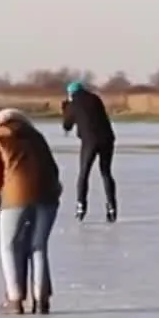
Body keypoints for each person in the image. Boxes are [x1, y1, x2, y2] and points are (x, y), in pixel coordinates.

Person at [0, 106, 62, 315]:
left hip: (16, 196)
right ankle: (41, 300)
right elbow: (52, 166)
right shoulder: (35, 134)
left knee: (9, 247)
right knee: (38, 246)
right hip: (48, 193)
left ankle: (14, 299)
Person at [59, 80, 117, 223]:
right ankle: (111, 206)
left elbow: (67, 126)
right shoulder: (95, 98)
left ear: (71, 94)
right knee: (106, 172)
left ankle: (81, 205)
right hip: (107, 139)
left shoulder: (72, 105)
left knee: (84, 173)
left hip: (90, 141)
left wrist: (65, 109)